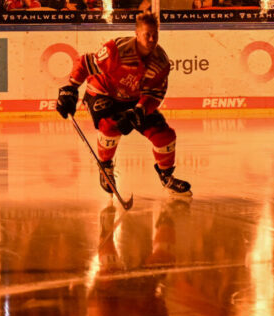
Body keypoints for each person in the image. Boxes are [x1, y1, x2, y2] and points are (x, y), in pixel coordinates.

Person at [54, 12, 192, 197]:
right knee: (110, 125)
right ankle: (105, 167)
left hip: (133, 99)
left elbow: (154, 94)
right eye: (147, 35)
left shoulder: (161, 62)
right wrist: (70, 88)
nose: (152, 39)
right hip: (102, 92)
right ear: (137, 34)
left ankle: (166, 176)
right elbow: (85, 62)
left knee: (164, 135)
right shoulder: (116, 50)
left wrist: (138, 111)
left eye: (155, 35)